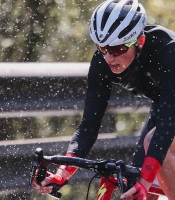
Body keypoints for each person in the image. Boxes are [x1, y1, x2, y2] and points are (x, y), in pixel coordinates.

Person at [32, 0, 175, 199]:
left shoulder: (168, 50)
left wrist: (145, 180)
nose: (108, 57)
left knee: (153, 154)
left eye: (117, 49)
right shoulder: (103, 62)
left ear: (139, 41)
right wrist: (63, 173)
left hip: (171, 109)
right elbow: (89, 125)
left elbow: (169, 122)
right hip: (165, 105)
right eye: (102, 48)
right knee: (136, 187)